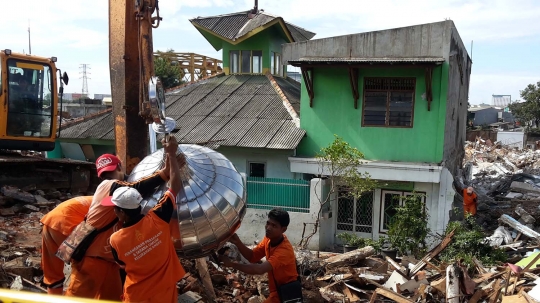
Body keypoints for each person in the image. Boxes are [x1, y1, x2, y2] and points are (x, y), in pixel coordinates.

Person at [65, 146, 178, 300]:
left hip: (107, 262)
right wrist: (165, 173)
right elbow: (138, 187)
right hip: (92, 258)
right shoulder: (108, 185)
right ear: (119, 166)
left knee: (111, 298)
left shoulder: (118, 237)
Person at [103, 136, 185, 303]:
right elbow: (175, 187)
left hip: (137, 296)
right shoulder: (158, 218)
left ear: (122, 213)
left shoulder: (115, 240)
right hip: (165, 292)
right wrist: (171, 154)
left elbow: (123, 266)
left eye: (115, 209)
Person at [218, 208, 299, 303]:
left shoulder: (284, 251)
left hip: (286, 294)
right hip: (277, 293)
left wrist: (233, 265)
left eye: (274, 226)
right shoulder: (269, 239)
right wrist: (238, 242)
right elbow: (253, 256)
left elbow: (259, 269)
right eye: (268, 223)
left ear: (283, 229)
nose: (268, 228)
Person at [40, 196, 93, 295]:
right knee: (82, 269)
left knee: (53, 275)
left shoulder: (97, 197)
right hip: (68, 225)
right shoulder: (117, 208)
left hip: (50, 222)